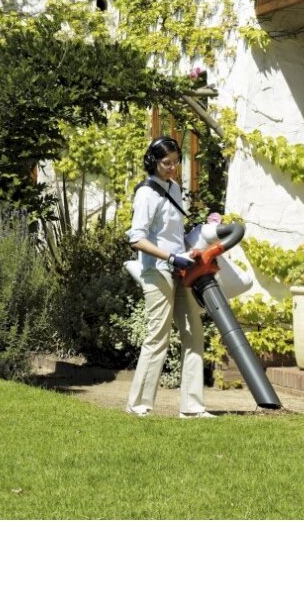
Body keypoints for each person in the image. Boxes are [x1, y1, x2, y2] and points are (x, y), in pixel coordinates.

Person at [124, 136, 213, 419]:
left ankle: (192, 407)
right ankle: (138, 405)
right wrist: (171, 257)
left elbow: (173, 235)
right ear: (153, 162)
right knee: (158, 337)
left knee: (194, 334)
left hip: (180, 270)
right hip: (158, 271)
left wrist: (196, 240)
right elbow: (136, 239)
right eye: (166, 163)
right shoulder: (146, 193)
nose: (173, 168)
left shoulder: (173, 187)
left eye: (176, 162)